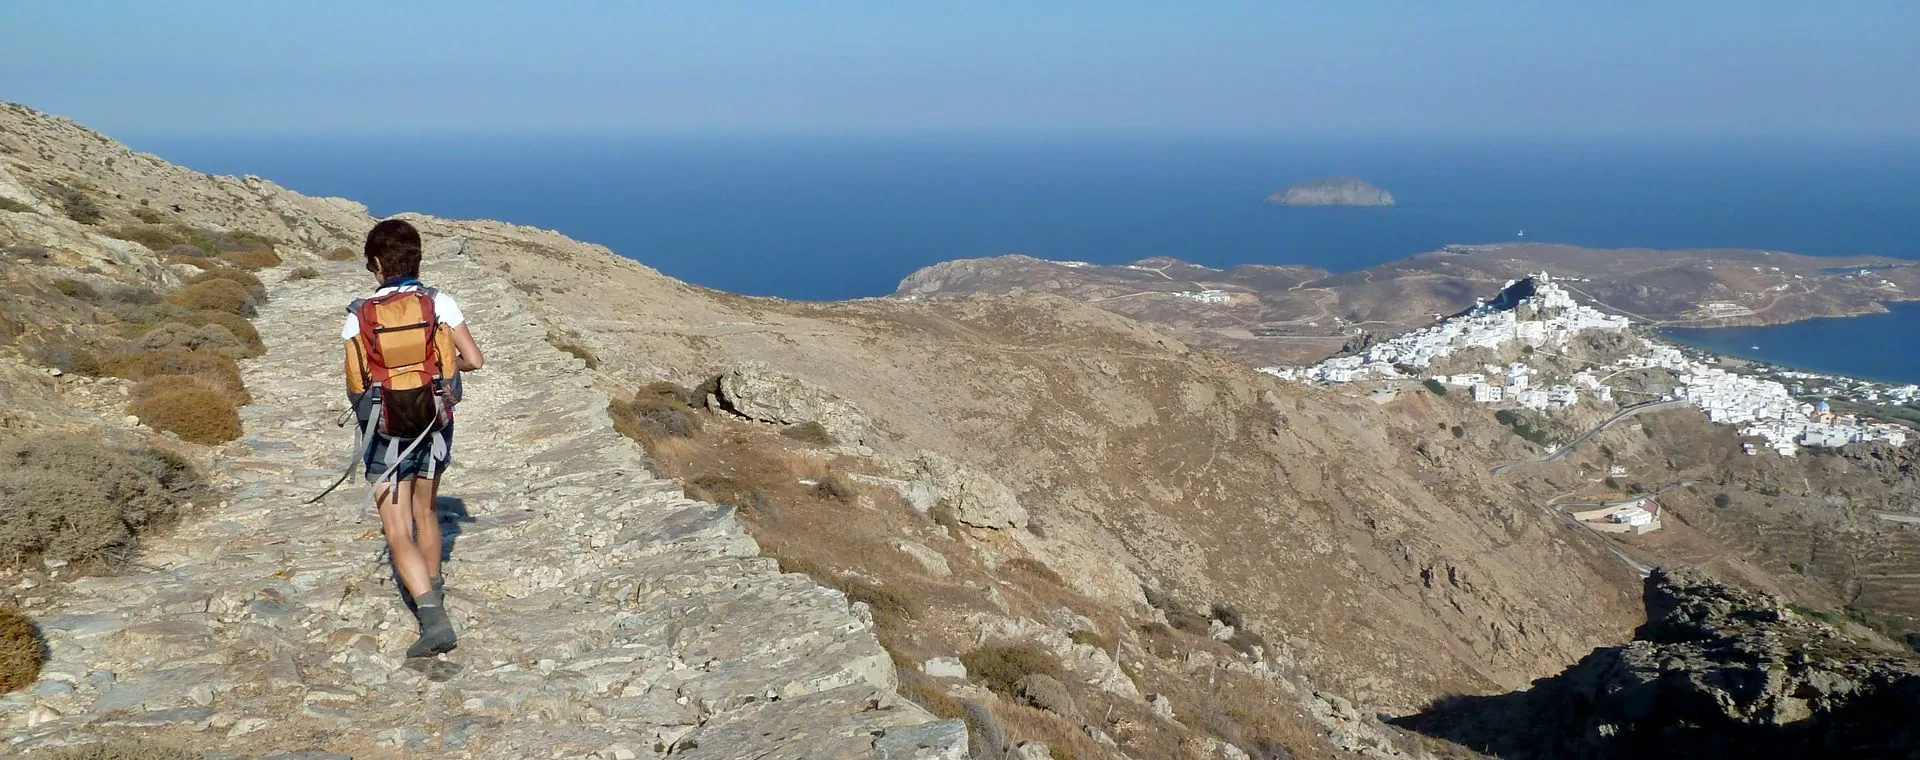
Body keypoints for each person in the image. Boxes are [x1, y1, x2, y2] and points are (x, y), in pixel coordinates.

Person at [345, 219, 485, 658]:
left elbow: (356, 382)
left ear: (376, 263)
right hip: (433, 420)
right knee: (426, 511)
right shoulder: (439, 302)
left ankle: (432, 618)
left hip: (385, 428)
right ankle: (434, 586)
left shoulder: (359, 314)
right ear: (417, 259)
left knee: (396, 526)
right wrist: (438, 369)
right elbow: (474, 360)